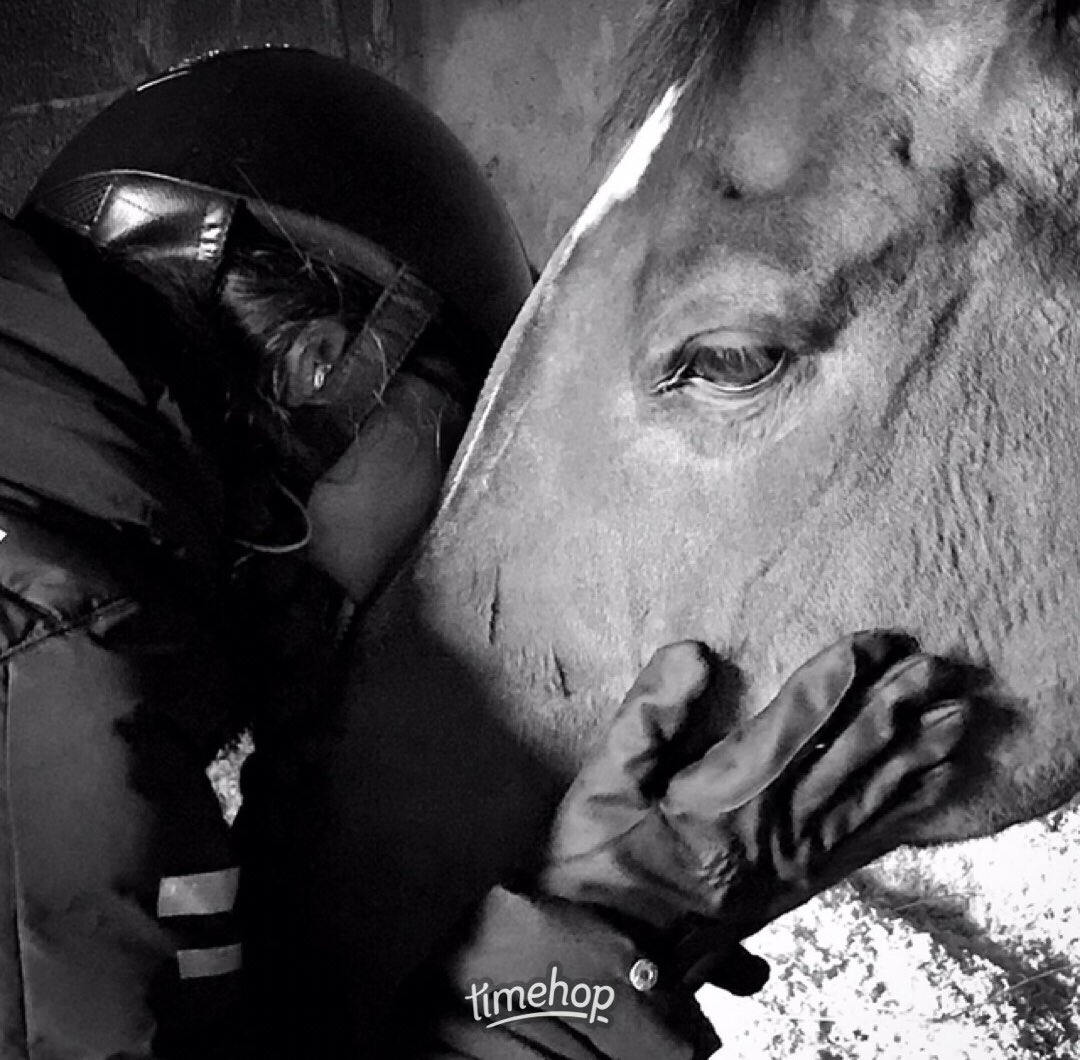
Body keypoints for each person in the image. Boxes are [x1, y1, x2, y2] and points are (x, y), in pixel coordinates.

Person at [0, 46, 973, 1060]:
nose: (448, 524)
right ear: (323, 369)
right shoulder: (56, 651)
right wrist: (614, 940)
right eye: (461, 438)